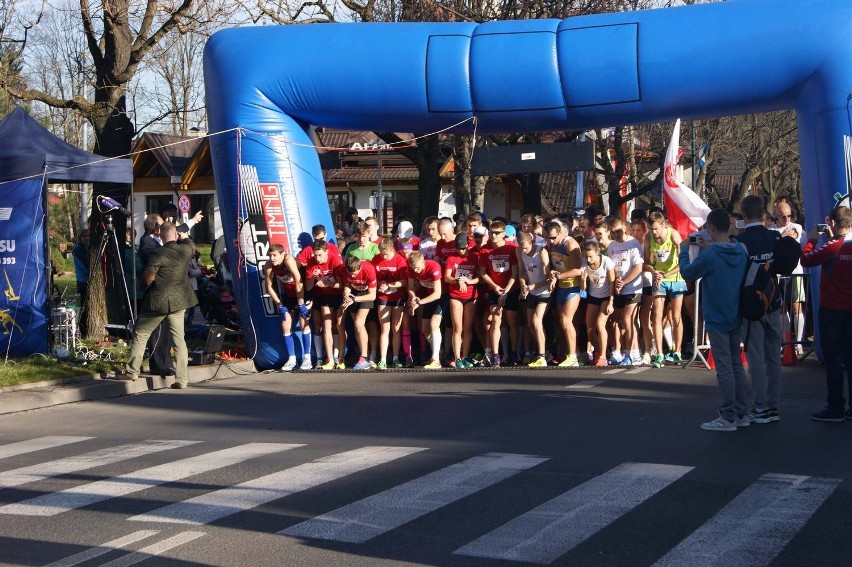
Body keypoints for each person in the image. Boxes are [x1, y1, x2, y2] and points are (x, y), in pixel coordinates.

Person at [679, 209, 749, 431]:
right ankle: (741, 412)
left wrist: (684, 250)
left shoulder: (710, 255)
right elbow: (724, 253)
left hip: (716, 314)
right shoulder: (741, 249)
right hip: (736, 311)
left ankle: (728, 416)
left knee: (725, 367)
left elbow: (688, 273)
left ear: (709, 228)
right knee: (736, 364)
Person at [117, 222, 198, 388]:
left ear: (160, 236)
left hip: (157, 302)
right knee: (179, 340)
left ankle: (132, 371)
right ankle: (182, 379)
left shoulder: (158, 254)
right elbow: (192, 245)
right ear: (175, 235)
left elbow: (149, 277)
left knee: (141, 333)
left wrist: (144, 288)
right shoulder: (185, 250)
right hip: (179, 301)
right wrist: (184, 236)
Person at [734, 195, 784, 424]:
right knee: (773, 356)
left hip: (752, 306)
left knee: (755, 358)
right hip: (773, 301)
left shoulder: (741, 242)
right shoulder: (774, 236)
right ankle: (772, 405)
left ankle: (761, 405)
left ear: (744, 215)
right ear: (763, 213)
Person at [801, 206, 852, 422]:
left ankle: (835, 407)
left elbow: (806, 259)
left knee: (833, 359)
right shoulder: (843, 245)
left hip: (832, 309)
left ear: (831, 222)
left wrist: (811, 239)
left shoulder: (834, 246)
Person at [645, 211, 687, 367]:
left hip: (675, 277)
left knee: (676, 316)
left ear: (663, 225)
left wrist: (666, 274)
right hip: (659, 278)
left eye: (656, 228)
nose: (654, 232)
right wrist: (654, 271)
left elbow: (683, 260)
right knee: (656, 315)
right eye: (651, 229)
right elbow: (646, 262)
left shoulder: (673, 235)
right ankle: (660, 354)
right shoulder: (648, 238)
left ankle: (677, 351)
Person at [264, 243, 311, 371]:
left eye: (274, 255)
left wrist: (301, 304)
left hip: (303, 292)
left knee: (303, 323)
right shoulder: (268, 265)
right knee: (285, 325)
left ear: (282, 254)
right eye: (270, 256)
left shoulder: (288, 260)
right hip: (288, 295)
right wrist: (279, 304)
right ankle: (292, 359)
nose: (272, 258)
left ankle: (307, 358)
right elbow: (269, 287)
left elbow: (298, 281)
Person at [479, 220, 519, 367]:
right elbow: (483, 273)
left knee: (512, 321)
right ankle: (496, 354)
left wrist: (507, 290)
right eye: (491, 232)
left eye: (497, 233)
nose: (493, 235)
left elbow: (515, 273)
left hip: (511, 289)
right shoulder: (485, 250)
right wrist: (495, 287)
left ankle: (514, 353)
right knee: (495, 320)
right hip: (495, 290)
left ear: (503, 234)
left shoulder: (511, 248)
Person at [138, 214, 174, 377]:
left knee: (166, 329)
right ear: (154, 228)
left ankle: (166, 362)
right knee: (157, 329)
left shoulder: (156, 242)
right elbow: (156, 261)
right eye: (161, 224)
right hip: (155, 291)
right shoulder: (147, 242)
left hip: (165, 291)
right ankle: (159, 364)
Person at [545, 220, 583, 367]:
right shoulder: (551, 243)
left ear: (561, 232)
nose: (552, 241)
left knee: (566, 320)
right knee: (562, 322)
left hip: (573, 286)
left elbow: (577, 270)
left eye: (554, 237)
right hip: (560, 287)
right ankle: (574, 353)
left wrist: (558, 276)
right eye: (549, 238)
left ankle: (573, 356)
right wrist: (552, 274)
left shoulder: (570, 245)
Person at [335, 255, 378, 370]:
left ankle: (364, 357)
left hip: (366, 295)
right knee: (357, 326)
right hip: (353, 295)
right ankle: (363, 355)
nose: (352, 276)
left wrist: (355, 299)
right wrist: (346, 294)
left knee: (359, 323)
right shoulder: (344, 269)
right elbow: (347, 285)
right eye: (350, 274)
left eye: (355, 274)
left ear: (359, 267)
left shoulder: (369, 269)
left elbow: (372, 295)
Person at [372, 239, 409, 369]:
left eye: (386, 254)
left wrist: (392, 285)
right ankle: (382, 359)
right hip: (383, 296)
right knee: (384, 328)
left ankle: (395, 358)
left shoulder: (399, 260)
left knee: (396, 328)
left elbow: (404, 282)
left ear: (392, 250)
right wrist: (380, 285)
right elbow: (373, 278)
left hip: (397, 296)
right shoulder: (376, 259)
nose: (384, 257)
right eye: (382, 254)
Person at [445, 233, 480, 368]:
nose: (460, 251)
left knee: (467, 328)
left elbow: (479, 277)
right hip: (455, 295)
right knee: (457, 328)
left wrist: (469, 281)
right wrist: (456, 280)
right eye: (458, 248)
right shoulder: (452, 258)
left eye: (462, 248)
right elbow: (446, 277)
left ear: (467, 245)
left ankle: (465, 356)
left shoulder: (474, 257)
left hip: (471, 296)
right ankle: (457, 357)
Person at [517, 231, 551, 367]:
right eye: (521, 246)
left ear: (531, 242)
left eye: (525, 246)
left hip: (544, 291)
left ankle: (541, 356)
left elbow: (547, 278)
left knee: (537, 320)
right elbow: (521, 271)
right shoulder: (519, 251)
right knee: (530, 324)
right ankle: (545, 350)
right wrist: (523, 285)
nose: (523, 249)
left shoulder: (541, 252)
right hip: (531, 291)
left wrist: (531, 286)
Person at [407, 251, 443, 369]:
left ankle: (436, 359)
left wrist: (420, 302)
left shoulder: (433, 267)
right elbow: (411, 288)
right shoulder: (412, 269)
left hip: (442, 297)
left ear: (423, 262)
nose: (416, 271)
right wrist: (413, 297)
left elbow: (438, 293)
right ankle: (438, 352)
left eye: (417, 268)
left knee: (434, 324)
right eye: (413, 268)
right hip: (428, 297)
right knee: (424, 328)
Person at [582, 240, 615, 368]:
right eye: (586, 256)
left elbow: (612, 282)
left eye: (591, 256)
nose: (589, 259)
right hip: (593, 296)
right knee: (590, 330)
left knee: (600, 324)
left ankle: (603, 356)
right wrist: (583, 280)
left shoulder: (606, 261)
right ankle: (602, 350)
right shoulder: (585, 264)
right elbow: (583, 287)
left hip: (606, 296)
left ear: (597, 253)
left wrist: (611, 302)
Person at [72, 229, 90, 335]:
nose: (86, 238)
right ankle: (83, 329)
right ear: (80, 238)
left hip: (85, 280)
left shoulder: (86, 248)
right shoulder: (79, 249)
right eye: (84, 236)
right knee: (84, 306)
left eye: (88, 236)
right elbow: (86, 265)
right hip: (83, 281)